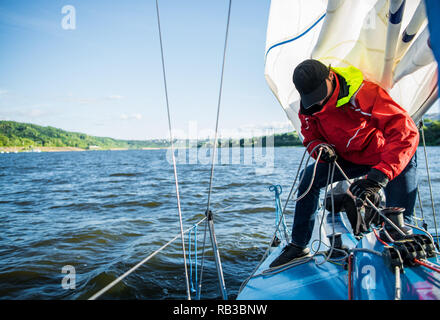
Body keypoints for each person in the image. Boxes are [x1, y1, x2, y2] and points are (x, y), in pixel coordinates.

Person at [269, 59, 419, 268]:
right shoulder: (308, 106)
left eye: (320, 93)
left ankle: (402, 233)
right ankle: (299, 246)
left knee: (403, 174)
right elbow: (310, 136)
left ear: (331, 75)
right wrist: (320, 149)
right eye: (312, 98)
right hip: (347, 158)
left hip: (382, 155)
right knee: (308, 178)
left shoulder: (364, 93)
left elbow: (405, 132)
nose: (318, 102)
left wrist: (381, 175)